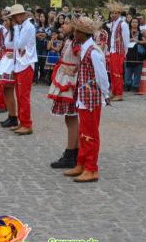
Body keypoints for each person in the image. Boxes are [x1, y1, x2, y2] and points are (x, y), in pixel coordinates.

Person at [63, 17, 110, 183]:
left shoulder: (94, 51)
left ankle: (91, 168)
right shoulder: (85, 48)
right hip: (83, 97)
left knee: (90, 134)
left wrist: (105, 94)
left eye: (76, 31)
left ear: (83, 33)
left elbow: (101, 75)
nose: (74, 33)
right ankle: (81, 163)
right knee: (84, 133)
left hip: (91, 99)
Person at [47, 19, 80, 169]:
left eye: (66, 23)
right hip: (66, 77)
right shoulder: (68, 40)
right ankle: (74, 152)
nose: (63, 25)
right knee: (70, 118)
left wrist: (74, 70)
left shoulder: (75, 44)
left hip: (70, 81)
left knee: (71, 117)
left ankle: (71, 153)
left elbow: (83, 59)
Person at [10, 5, 37, 136]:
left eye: (14, 17)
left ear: (20, 15)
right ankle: (23, 121)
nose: (14, 20)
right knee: (19, 95)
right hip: (21, 63)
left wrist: (15, 28)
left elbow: (19, 45)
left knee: (23, 96)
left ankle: (27, 124)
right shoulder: (24, 27)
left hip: (26, 64)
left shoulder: (28, 27)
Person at [0, 16, 18, 127]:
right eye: (3, 20)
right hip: (6, 60)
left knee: (9, 89)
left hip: (12, 62)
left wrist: (14, 54)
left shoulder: (16, 32)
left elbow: (21, 47)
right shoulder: (8, 32)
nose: (4, 22)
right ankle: (11, 115)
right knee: (6, 90)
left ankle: (13, 116)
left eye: (6, 20)